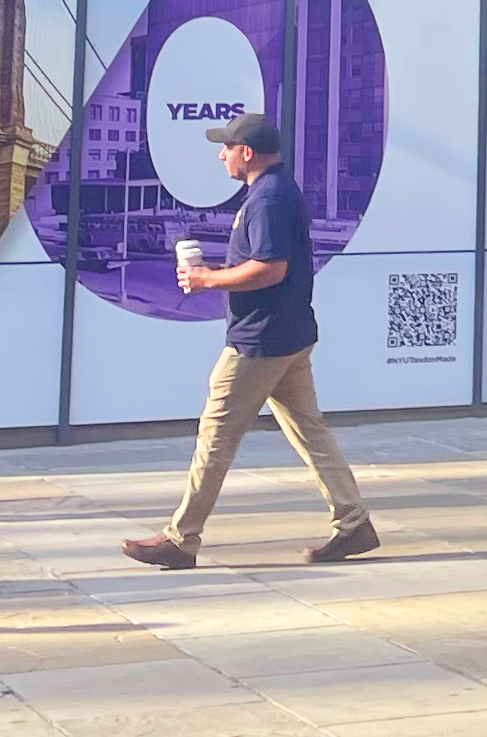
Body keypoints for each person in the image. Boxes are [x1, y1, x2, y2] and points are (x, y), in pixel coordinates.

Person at [123, 112, 379, 569]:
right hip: (288, 334)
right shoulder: (274, 192)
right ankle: (354, 523)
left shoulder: (269, 200)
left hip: (260, 341)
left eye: (226, 147)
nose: (221, 154)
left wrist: (207, 279)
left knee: (215, 436)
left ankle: (180, 540)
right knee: (310, 431)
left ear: (246, 152)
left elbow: (271, 267)